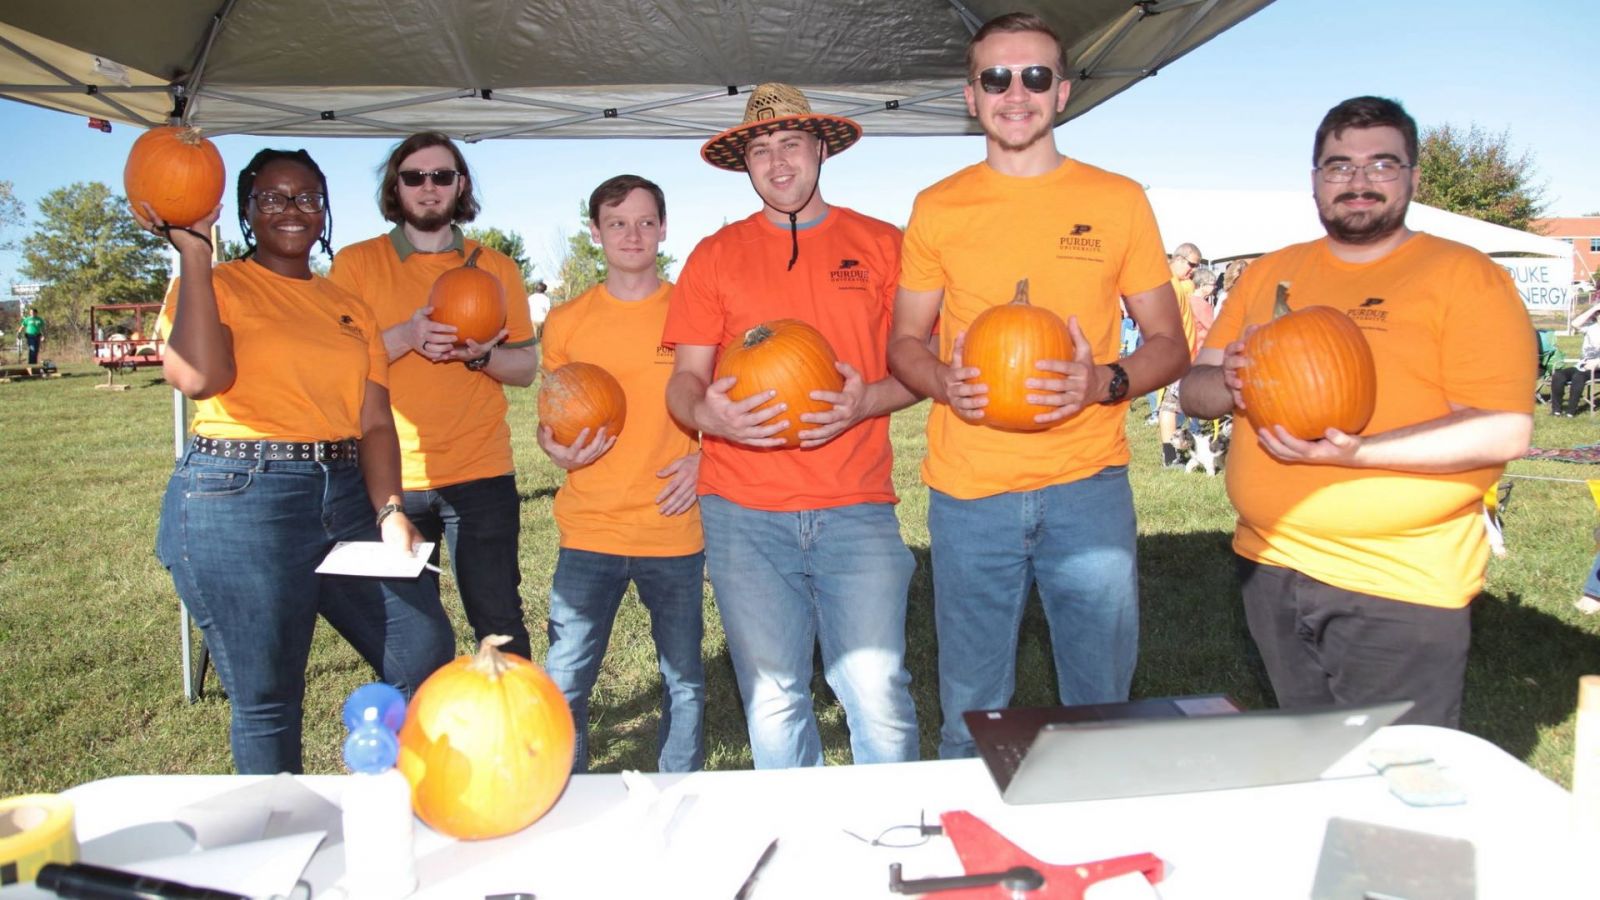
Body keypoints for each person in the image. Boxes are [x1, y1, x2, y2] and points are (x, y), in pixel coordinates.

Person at [887, 12, 1188, 760]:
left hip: (1087, 487)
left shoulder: (1118, 200)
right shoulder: (938, 206)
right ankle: (971, 849)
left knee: (1100, 702)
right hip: (969, 495)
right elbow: (902, 344)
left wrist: (1102, 382)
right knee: (970, 708)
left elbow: (1170, 345)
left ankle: (1099, 848)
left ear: (1062, 93)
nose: (1014, 93)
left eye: (1034, 77)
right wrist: (943, 383)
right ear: (970, 96)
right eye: (996, 78)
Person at [1179, 96, 1535, 728]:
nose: (1359, 181)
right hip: (1270, 562)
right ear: (1315, 179)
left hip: (1398, 581)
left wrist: (1360, 452)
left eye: (1382, 164)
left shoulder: (1464, 277)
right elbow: (1194, 391)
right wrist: (1228, 382)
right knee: (1312, 762)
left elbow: (1504, 428)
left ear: (1413, 178)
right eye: (1339, 166)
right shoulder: (1270, 273)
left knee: (1395, 785)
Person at [141, 149, 455, 774]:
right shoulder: (213, 284)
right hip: (238, 494)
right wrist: (197, 253)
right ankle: (277, 837)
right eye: (273, 197)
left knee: (422, 649)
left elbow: (372, 421)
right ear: (248, 210)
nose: (293, 209)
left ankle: (400, 794)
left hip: (343, 495)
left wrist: (391, 510)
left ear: (325, 211)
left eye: (308, 197)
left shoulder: (347, 307)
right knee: (268, 694)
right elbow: (202, 376)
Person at [664, 82, 920, 769]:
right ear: (744, 165)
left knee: (877, 691)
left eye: (791, 144)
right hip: (743, 511)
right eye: (761, 150)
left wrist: (867, 401)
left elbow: (924, 367)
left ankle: (896, 852)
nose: (777, 163)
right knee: (773, 696)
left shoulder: (882, 244)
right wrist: (706, 416)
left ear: (821, 150)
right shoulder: (713, 257)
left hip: (856, 504)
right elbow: (684, 382)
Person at [329, 132, 537, 659]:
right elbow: (337, 366)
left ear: (460, 185)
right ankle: (424, 729)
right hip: (388, 479)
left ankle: (515, 735)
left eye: (442, 176)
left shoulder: (496, 267)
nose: (428, 187)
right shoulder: (356, 265)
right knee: (406, 629)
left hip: (481, 472)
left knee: (498, 620)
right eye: (414, 176)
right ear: (395, 187)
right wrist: (403, 338)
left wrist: (481, 356)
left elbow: (526, 369)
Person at [539, 175, 706, 773]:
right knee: (564, 683)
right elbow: (553, 412)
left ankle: (679, 790)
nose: (632, 234)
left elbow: (732, 399)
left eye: (644, 222)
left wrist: (707, 458)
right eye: (617, 223)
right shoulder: (566, 320)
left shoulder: (695, 310)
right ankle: (565, 793)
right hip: (591, 529)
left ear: (663, 229)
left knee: (685, 680)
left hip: (674, 526)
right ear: (595, 233)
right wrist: (552, 448)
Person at [1157, 243, 1207, 466]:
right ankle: (1170, 456)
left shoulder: (1179, 284)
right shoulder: (1166, 282)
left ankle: (1172, 454)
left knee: (1171, 404)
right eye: (1191, 265)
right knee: (1170, 405)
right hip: (1176, 354)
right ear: (1178, 259)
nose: (1193, 271)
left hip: (1183, 354)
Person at [1550, 303, 1600, 417]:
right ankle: (1556, 410)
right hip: (1582, 365)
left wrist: (1597, 363)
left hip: (1597, 369)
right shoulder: (1591, 327)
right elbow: (1574, 324)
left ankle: (1570, 412)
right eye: (1598, 314)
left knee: (1578, 377)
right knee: (1558, 375)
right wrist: (1594, 308)